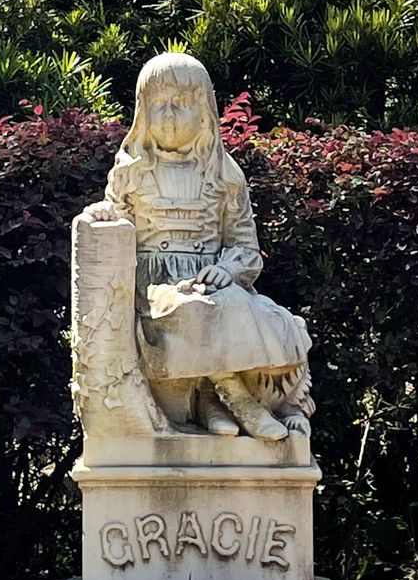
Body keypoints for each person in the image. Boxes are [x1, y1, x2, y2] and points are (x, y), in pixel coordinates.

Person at [85, 51, 310, 440]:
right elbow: (117, 213)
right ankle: (237, 398)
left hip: (210, 280)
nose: (169, 114)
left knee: (266, 318)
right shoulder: (131, 171)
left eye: (182, 102)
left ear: (205, 111)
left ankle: (215, 402)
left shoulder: (224, 173)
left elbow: (246, 247)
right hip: (154, 287)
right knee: (190, 309)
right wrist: (105, 213)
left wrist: (227, 269)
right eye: (159, 103)